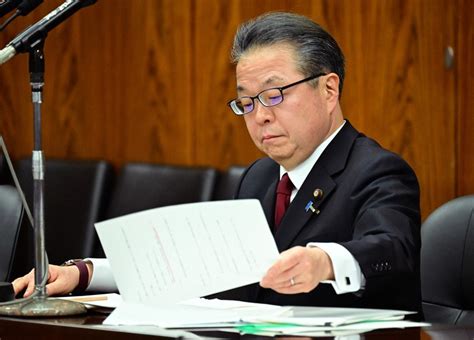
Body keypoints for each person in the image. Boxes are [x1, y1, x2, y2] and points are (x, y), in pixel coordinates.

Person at [12, 12, 422, 317]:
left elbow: (393, 249)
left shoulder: (377, 170)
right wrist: (82, 274)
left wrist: (326, 261)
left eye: (274, 94)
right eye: (246, 101)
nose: (259, 115)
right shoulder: (259, 177)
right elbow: (192, 267)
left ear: (328, 89)